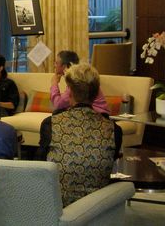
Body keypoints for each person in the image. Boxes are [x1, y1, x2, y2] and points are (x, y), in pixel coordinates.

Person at [37, 63, 121, 206]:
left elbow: (38, 166)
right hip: (98, 208)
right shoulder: (114, 129)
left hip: (57, 205)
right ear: (96, 94)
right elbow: (109, 164)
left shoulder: (51, 123)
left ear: (69, 92)